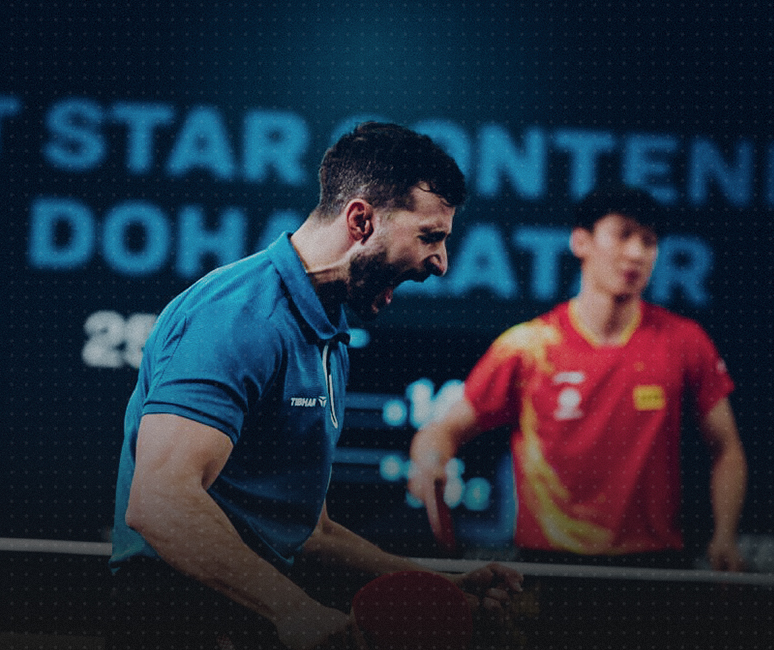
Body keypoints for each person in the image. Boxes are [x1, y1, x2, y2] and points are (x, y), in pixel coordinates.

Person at [109, 122, 523, 650]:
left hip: (248, 612)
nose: (441, 263)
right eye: (429, 236)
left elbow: (310, 530)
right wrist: (294, 610)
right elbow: (159, 500)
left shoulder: (325, 332)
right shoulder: (238, 317)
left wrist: (440, 586)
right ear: (361, 220)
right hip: (173, 618)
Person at [408, 185, 748, 571]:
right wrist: (430, 462)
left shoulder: (684, 342)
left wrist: (725, 536)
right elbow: (442, 432)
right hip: (548, 569)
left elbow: (727, 449)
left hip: (654, 569)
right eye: (623, 235)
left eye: (649, 241)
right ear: (581, 241)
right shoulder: (529, 347)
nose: (637, 253)